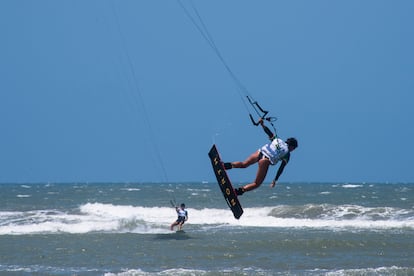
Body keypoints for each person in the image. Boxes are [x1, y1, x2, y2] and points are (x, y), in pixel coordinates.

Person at [223, 119, 298, 196]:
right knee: (257, 183)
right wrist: (275, 180)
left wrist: (262, 124)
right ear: (292, 146)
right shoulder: (287, 154)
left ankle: (226, 165)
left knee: (243, 164)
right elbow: (281, 168)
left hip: (259, 153)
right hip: (265, 160)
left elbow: (269, 132)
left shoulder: (278, 140)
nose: (293, 150)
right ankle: (237, 192)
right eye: (294, 149)